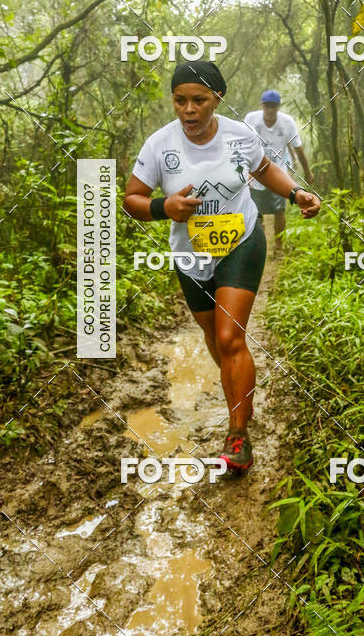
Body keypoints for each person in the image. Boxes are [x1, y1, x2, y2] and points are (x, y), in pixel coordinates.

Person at [123, 61, 321, 473]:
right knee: (215, 338)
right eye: (180, 101)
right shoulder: (159, 145)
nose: (189, 110)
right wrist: (165, 207)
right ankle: (240, 395)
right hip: (191, 255)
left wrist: (297, 192)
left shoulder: (239, 134)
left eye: (199, 100)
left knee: (231, 337)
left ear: (217, 99)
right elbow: (133, 199)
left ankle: (238, 438)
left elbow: (264, 169)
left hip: (241, 241)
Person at [244, 90, 314, 255]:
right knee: (256, 212)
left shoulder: (287, 122)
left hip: (278, 172)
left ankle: (279, 247)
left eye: (273, 106)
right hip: (255, 173)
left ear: (278, 107)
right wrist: (245, 172)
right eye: (267, 106)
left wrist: (307, 172)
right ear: (262, 106)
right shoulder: (251, 120)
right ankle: (259, 247)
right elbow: (242, 145)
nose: (270, 110)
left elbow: (298, 147)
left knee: (279, 210)